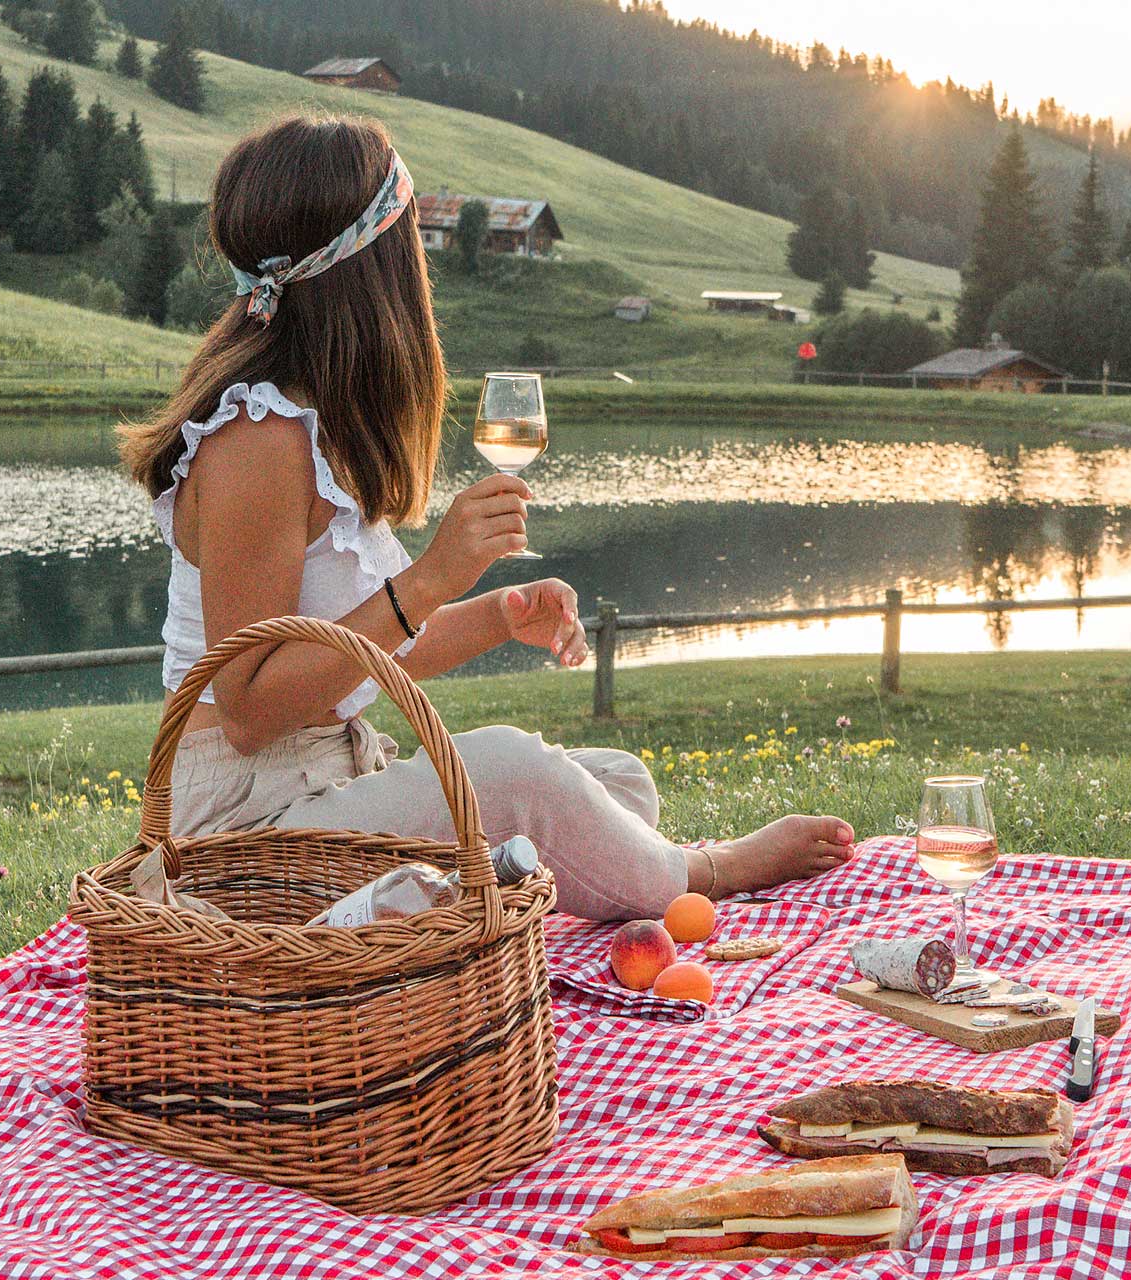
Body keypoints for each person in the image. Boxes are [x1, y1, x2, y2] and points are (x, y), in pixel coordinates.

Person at [117, 114, 856, 921]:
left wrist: (502, 614)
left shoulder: (311, 420)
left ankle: (519, 887)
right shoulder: (258, 440)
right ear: (370, 265)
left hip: (325, 782)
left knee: (615, 782)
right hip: (241, 833)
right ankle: (704, 872)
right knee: (515, 773)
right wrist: (430, 576)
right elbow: (252, 710)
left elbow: (371, 648)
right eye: (408, 240)